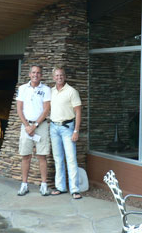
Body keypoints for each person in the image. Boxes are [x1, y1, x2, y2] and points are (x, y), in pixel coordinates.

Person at [16, 65, 51, 196]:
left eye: (38, 73)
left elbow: (46, 109)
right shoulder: (22, 89)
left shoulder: (46, 89)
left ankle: (43, 185)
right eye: (33, 72)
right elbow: (19, 109)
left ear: (41, 75)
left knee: (42, 156)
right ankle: (24, 185)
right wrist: (27, 126)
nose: (36, 75)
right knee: (25, 156)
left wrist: (35, 126)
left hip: (40, 126)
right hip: (26, 126)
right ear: (29, 74)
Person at [49, 67, 83, 199]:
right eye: (56, 76)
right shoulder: (51, 92)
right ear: (53, 77)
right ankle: (60, 187)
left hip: (67, 128)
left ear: (65, 76)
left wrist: (76, 130)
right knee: (58, 159)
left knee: (71, 159)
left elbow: (78, 112)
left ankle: (74, 190)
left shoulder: (71, 91)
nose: (59, 77)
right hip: (53, 128)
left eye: (61, 75)